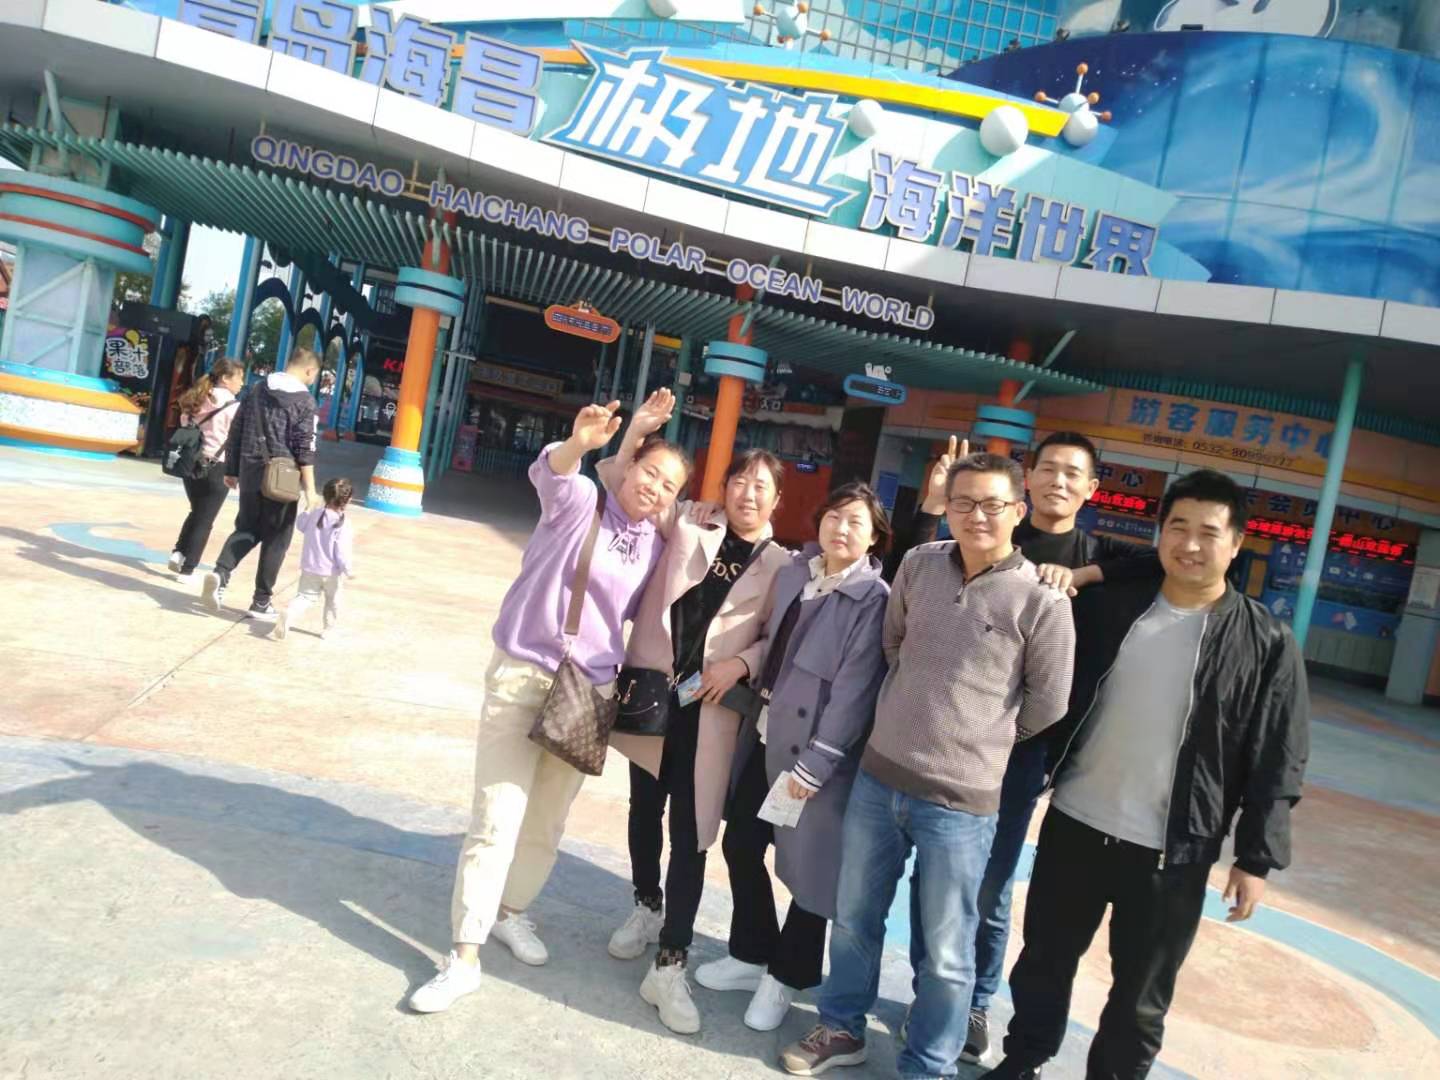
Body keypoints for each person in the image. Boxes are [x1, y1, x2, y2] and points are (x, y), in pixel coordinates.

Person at [984, 470, 1310, 1080]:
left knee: (1140, 996)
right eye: (1177, 528)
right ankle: (1023, 1059)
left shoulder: (1265, 641)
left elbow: (1278, 756)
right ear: (1159, 535)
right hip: (1077, 823)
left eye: (1209, 532)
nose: (1191, 544)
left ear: (1237, 544)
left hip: (1172, 851)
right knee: (1044, 962)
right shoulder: (1113, 606)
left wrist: (1257, 859)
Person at [780, 453, 1075, 1079]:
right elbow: (894, 645)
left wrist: (981, 737)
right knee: (854, 919)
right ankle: (842, 1027)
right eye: (963, 502)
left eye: (993, 504)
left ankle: (927, 1064)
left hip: (961, 804)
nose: (976, 516)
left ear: (1018, 511)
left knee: (946, 948)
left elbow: (1048, 704)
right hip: (879, 778)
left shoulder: (1042, 601)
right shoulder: (918, 564)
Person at [407, 401, 691, 1014]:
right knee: (495, 818)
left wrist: (641, 445)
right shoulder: (582, 502)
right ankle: (463, 957)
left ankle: (510, 911)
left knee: (545, 822)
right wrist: (582, 444)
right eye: (650, 472)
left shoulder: (654, 546)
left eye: (669, 485)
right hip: (525, 674)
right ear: (628, 468)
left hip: (589, 693)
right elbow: (555, 473)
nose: (655, 487)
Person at [905, 431, 1158, 1063]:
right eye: (1048, 469)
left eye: (1073, 473)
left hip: (1021, 754)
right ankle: (928, 994)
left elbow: (1161, 562)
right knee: (934, 877)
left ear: (1091, 488)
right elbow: (913, 575)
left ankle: (976, 1002)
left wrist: (1081, 574)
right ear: (1027, 480)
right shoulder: (995, 534)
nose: (1058, 481)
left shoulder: (1098, 555)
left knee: (989, 886)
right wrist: (936, 503)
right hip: (946, 740)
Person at [597, 391, 792, 1036]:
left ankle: (671, 961)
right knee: (642, 810)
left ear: (776, 501)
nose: (747, 494)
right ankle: (645, 905)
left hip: (711, 714)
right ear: (724, 486)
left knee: (693, 833)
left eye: (761, 487)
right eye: (739, 481)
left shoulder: (783, 566)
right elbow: (621, 484)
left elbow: (783, 638)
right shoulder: (690, 520)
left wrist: (743, 663)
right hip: (654, 693)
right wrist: (636, 434)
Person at [693, 482, 892, 1033]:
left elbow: (855, 692)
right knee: (741, 843)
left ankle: (787, 977)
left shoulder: (872, 600)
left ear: (875, 537)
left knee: (811, 873)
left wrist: (817, 764)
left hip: (812, 760)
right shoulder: (796, 573)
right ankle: (751, 952)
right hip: (767, 738)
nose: (841, 529)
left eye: (855, 522)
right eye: (834, 517)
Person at [201, 348, 323, 620]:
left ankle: (221, 573)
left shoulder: (257, 389)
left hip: (250, 470)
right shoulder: (305, 401)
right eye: (314, 376)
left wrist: (232, 469)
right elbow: (305, 447)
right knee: (277, 537)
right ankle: (261, 601)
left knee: (247, 527)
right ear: (309, 370)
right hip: (282, 477)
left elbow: (237, 428)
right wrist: (311, 491)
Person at [167, 357, 245, 582]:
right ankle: (188, 569)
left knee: (197, 511)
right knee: (205, 519)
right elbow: (237, 440)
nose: (242, 383)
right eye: (239, 377)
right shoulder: (234, 407)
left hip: (189, 461)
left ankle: (179, 553)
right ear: (225, 378)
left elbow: (185, 424)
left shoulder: (196, 397)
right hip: (216, 466)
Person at [269, 477, 356, 642]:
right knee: (333, 601)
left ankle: (290, 613)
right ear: (348, 500)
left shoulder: (316, 515)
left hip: (309, 567)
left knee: (305, 597)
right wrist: (348, 569)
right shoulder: (343, 523)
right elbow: (342, 551)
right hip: (332, 573)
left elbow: (301, 525)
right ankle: (328, 629)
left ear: (324, 495)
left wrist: (308, 508)